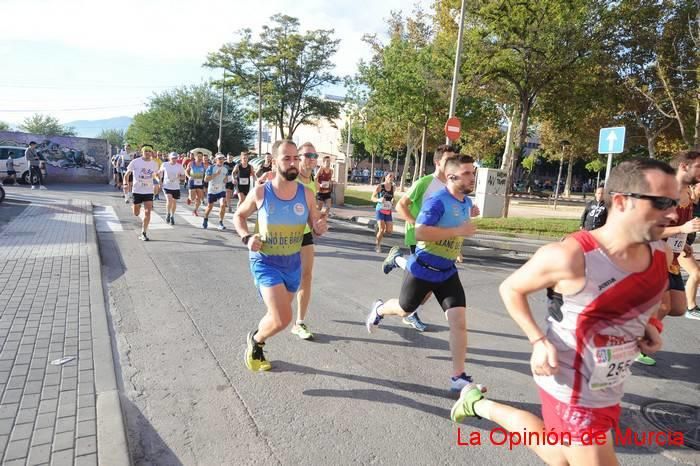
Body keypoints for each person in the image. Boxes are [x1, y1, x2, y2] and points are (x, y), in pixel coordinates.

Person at [451, 157, 676, 466]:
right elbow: (511, 289)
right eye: (662, 202)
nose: (674, 212)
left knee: (558, 457)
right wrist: (538, 341)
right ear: (622, 202)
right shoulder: (570, 256)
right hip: (569, 385)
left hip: (609, 383)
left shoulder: (659, 252)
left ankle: (478, 404)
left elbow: (639, 303)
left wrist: (647, 326)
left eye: (674, 202)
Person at [365, 155, 482, 392]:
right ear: (451, 177)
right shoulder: (436, 201)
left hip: (447, 272)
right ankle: (378, 309)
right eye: (467, 173)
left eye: (473, 172)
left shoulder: (466, 202)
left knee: (458, 322)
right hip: (424, 269)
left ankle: (458, 377)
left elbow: (460, 218)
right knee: (404, 309)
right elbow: (420, 233)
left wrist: (468, 219)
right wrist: (457, 230)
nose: (473, 177)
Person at [234, 140, 327, 371]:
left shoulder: (306, 194)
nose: (293, 162)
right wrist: (247, 238)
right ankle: (255, 343)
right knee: (283, 318)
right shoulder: (260, 192)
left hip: (292, 262)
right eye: (287, 158)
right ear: (274, 162)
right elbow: (239, 216)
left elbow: (314, 223)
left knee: (277, 316)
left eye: (296, 158)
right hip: (265, 261)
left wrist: (319, 226)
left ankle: (257, 337)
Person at [381, 145, 459, 332]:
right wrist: (416, 223)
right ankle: (411, 312)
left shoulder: (451, 187)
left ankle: (397, 259)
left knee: (428, 282)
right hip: (419, 237)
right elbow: (401, 205)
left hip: (436, 241)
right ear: (437, 162)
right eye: (448, 160)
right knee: (427, 280)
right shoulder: (425, 182)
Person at [659, 149, 700, 324]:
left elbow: (674, 228)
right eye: (698, 167)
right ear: (684, 166)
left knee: (677, 307)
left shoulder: (688, 196)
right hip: (653, 258)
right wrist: (683, 229)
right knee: (660, 306)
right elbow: (647, 231)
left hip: (672, 258)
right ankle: (637, 344)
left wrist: (682, 244)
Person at [291, 143, 320, 340]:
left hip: (305, 234)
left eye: (314, 155)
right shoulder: (290, 179)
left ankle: (299, 322)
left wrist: (318, 220)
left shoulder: (313, 182)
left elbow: (312, 209)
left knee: (306, 276)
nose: (312, 158)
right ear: (298, 157)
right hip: (285, 234)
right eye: (308, 155)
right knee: (287, 279)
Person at [125, 146, 159, 241]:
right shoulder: (135, 162)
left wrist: (158, 181)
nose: (148, 153)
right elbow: (127, 174)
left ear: (151, 153)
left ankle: (143, 233)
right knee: (136, 213)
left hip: (148, 191)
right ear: (142, 152)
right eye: (146, 151)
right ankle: (136, 206)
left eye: (149, 151)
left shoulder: (154, 164)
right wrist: (125, 183)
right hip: (137, 190)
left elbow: (155, 175)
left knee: (148, 212)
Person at [202, 153, 229, 230]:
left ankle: (221, 222)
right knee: (210, 207)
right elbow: (206, 179)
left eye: (222, 159)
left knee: (223, 205)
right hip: (212, 190)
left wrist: (226, 180)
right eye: (219, 159)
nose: (221, 160)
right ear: (216, 160)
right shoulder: (211, 168)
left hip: (221, 190)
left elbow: (226, 178)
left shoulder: (225, 169)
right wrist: (216, 174)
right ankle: (205, 218)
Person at [371, 173, 396, 253]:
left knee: (389, 231)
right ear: (385, 177)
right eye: (390, 176)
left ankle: (378, 229)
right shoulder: (380, 186)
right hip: (380, 209)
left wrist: (393, 201)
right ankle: (377, 245)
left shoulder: (393, 187)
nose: (391, 178)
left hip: (388, 210)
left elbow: (392, 198)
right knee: (382, 229)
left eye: (393, 177)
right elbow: (372, 198)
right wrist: (378, 200)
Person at [160, 152, 186, 225]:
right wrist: (160, 181)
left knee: (174, 202)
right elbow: (160, 173)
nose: (174, 159)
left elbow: (183, 177)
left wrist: (179, 177)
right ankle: (167, 213)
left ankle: (172, 215)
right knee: (169, 199)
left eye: (175, 158)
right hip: (166, 185)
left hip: (175, 186)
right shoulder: (164, 164)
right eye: (173, 158)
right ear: (169, 158)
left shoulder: (179, 166)